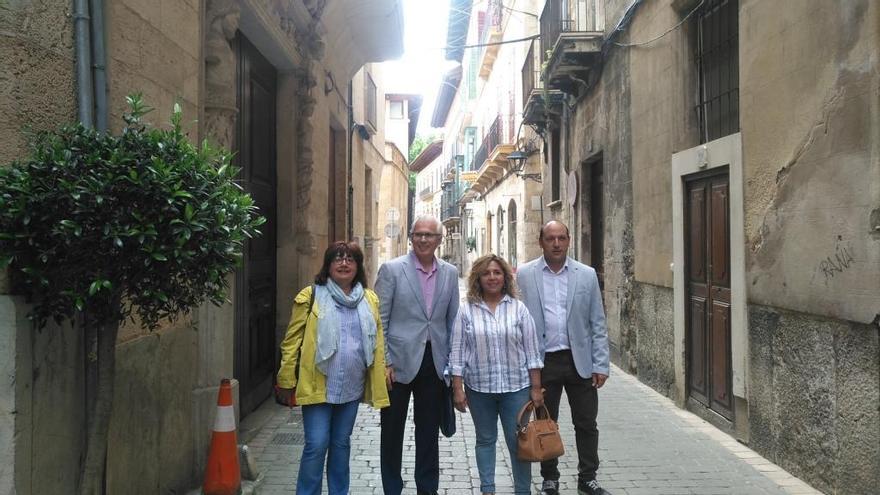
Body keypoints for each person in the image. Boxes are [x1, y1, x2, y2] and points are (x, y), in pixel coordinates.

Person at [276, 241, 390, 495]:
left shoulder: (369, 299)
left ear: (358, 267)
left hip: (351, 385)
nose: (344, 263)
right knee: (316, 445)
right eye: (337, 258)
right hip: (318, 384)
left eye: (350, 259)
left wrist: (381, 372)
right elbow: (292, 340)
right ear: (328, 266)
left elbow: (377, 342)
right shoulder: (311, 295)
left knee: (341, 445)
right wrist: (286, 379)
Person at [516, 221, 612, 495]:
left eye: (561, 238)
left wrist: (600, 364)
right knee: (546, 423)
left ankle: (588, 478)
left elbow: (597, 322)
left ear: (568, 241)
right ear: (541, 241)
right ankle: (550, 478)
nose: (556, 244)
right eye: (550, 238)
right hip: (543, 362)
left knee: (586, 422)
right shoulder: (524, 274)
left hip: (578, 361)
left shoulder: (586, 274)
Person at [376, 215, 460, 495]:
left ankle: (427, 488)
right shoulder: (391, 269)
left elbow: (452, 322)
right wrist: (384, 362)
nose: (424, 239)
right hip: (397, 363)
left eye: (429, 235)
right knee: (391, 430)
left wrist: (452, 363)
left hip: (433, 362)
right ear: (411, 238)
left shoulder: (449, 272)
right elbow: (380, 322)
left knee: (428, 431)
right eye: (418, 234)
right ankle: (392, 487)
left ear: (439, 240)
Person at [449, 254, 544, 495]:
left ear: (505, 277)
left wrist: (535, 388)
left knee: (518, 443)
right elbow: (457, 351)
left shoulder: (519, 309)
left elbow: (532, 351)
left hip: (517, 388)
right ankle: (487, 490)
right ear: (478, 279)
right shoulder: (467, 310)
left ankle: (523, 491)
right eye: (486, 273)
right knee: (485, 440)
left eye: (497, 273)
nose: (492, 277)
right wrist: (457, 388)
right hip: (479, 389)